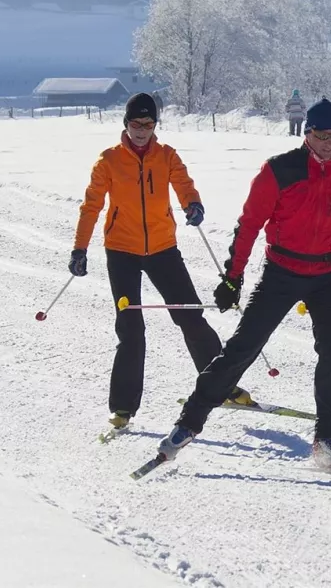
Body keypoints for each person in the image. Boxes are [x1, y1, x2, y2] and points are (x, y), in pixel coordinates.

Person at [156, 97, 331, 471]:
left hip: (329, 275)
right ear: (307, 134)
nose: (328, 144)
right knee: (242, 348)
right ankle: (187, 424)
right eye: (321, 136)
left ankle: (326, 441)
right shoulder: (278, 170)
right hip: (282, 271)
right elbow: (249, 225)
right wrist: (232, 277)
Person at [71, 92, 251, 433]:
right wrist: (79, 249)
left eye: (148, 124)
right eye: (136, 124)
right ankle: (123, 407)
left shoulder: (166, 156)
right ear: (125, 124)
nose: (142, 130)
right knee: (131, 329)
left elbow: (183, 184)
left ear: (155, 125)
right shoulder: (108, 161)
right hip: (122, 251)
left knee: (190, 316)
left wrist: (192, 204)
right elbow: (91, 206)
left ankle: (221, 386)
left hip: (162, 248)